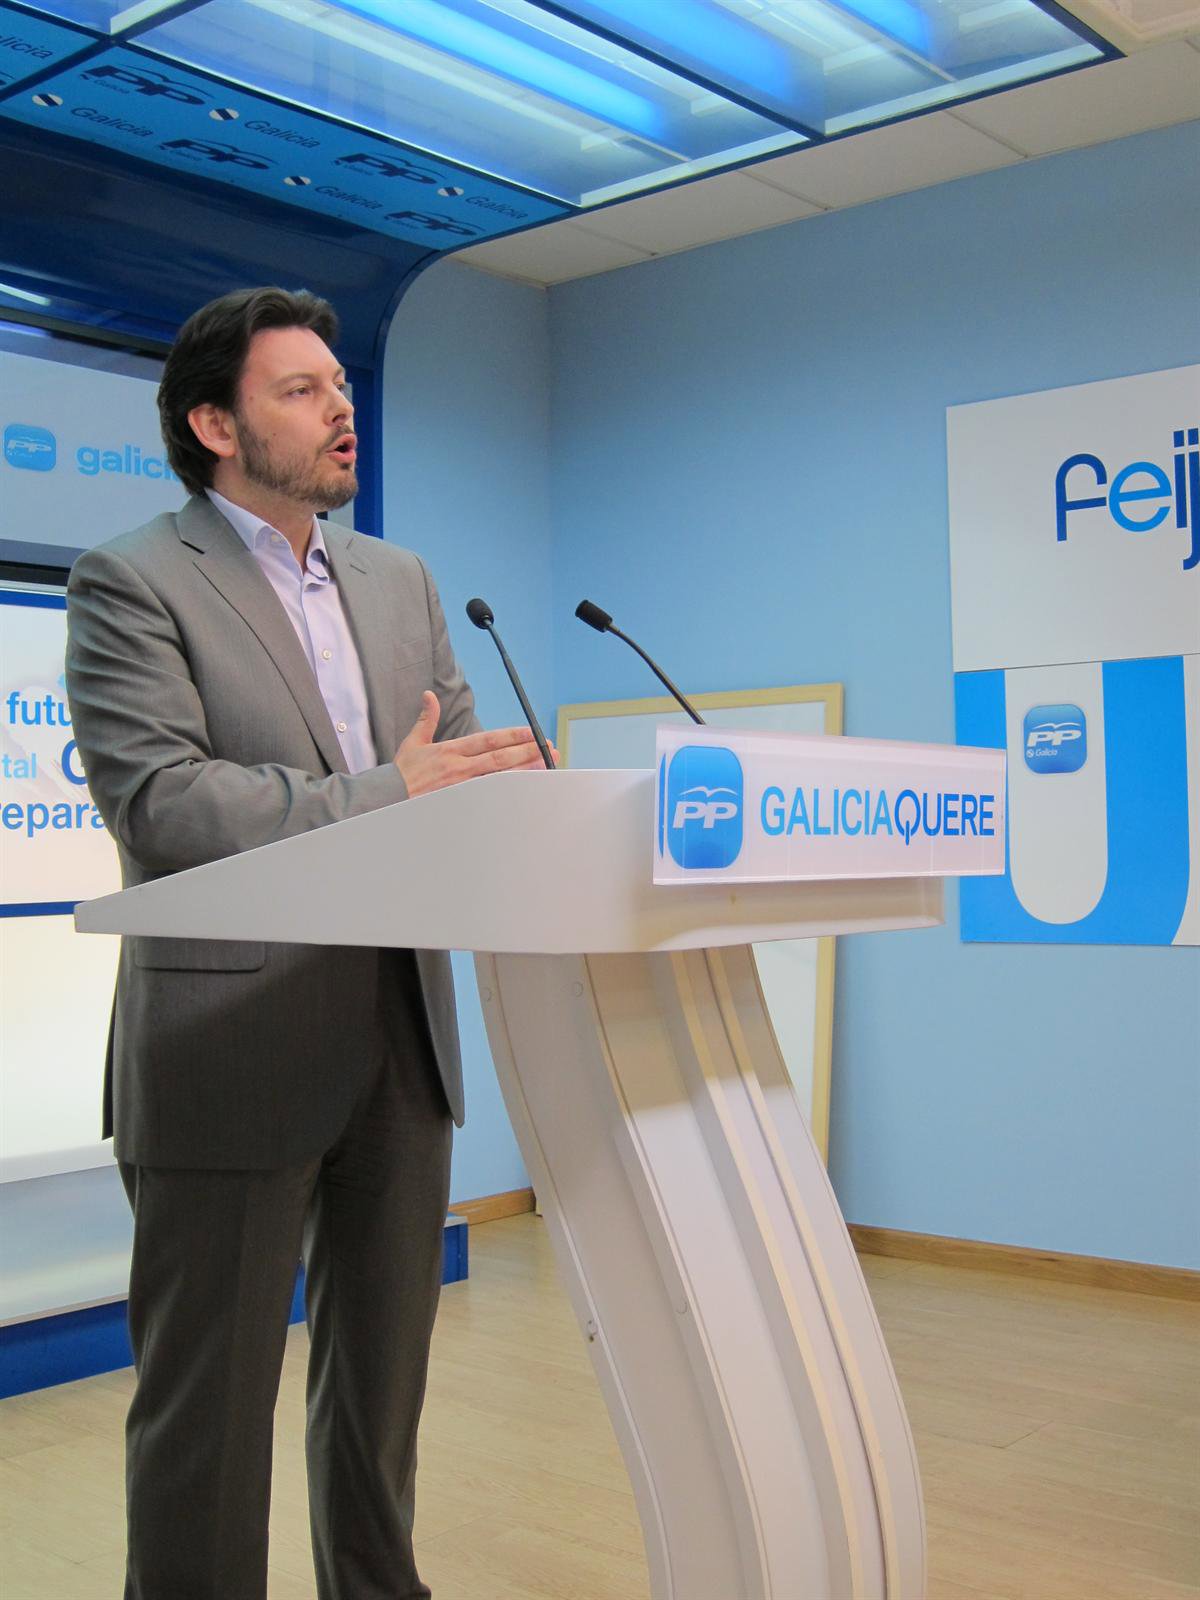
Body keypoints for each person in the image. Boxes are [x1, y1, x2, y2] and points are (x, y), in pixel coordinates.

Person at [65, 286, 545, 1600]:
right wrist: (395, 791)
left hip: (400, 1039)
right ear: (215, 425)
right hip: (230, 1038)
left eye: (341, 384)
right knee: (209, 1422)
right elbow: (163, 805)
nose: (342, 407)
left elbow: (456, 769)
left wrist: (515, 791)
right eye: (301, 389)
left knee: (381, 1404)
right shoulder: (132, 580)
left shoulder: (402, 580)